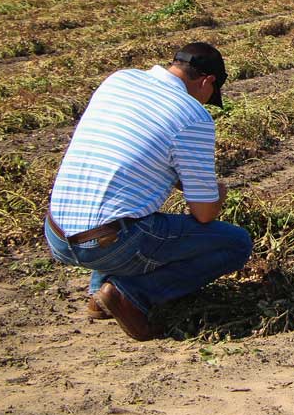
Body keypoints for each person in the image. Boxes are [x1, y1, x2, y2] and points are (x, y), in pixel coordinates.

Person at [44, 42, 252, 341]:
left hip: (57, 233)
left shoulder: (119, 80)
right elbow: (204, 213)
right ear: (207, 81)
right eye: (211, 94)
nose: (207, 102)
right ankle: (130, 294)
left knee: (128, 207)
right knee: (235, 243)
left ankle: (98, 296)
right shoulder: (193, 115)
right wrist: (218, 191)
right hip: (108, 243)